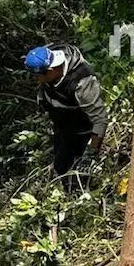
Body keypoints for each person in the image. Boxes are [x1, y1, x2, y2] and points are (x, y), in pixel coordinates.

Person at [24, 44, 108, 184]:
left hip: (84, 132)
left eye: (38, 76)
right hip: (63, 129)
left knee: (81, 177)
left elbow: (100, 119)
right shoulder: (49, 68)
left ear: (50, 70)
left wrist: (91, 153)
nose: (36, 80)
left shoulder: (81, 83)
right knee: (61, 169)